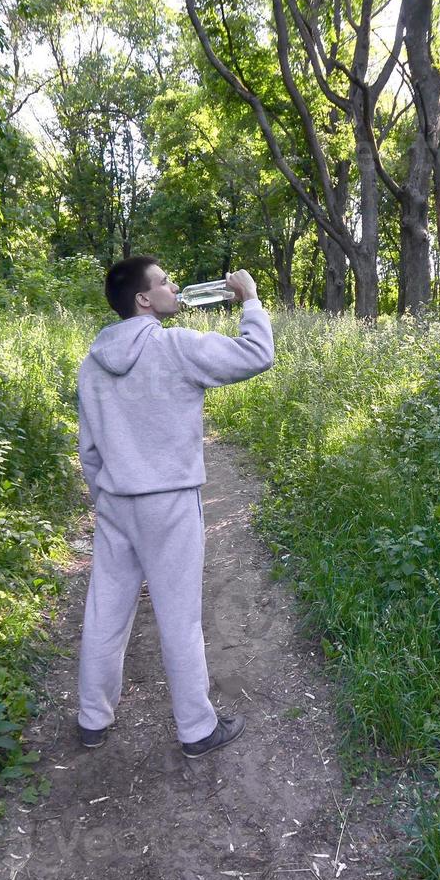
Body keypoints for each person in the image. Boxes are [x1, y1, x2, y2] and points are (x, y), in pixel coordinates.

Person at [74, 256, 274, 758]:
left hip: (117, 501)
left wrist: (108, 495)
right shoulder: (176, 347)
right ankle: (196, 730)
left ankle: (92, 720)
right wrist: (249, 299)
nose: (174, 285)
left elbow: (89, 449)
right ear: (144, 299)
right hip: (169, 501)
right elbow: (256, 353)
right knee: (179, 616)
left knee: (105, 612)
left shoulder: (92, 362)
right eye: (164, 281)